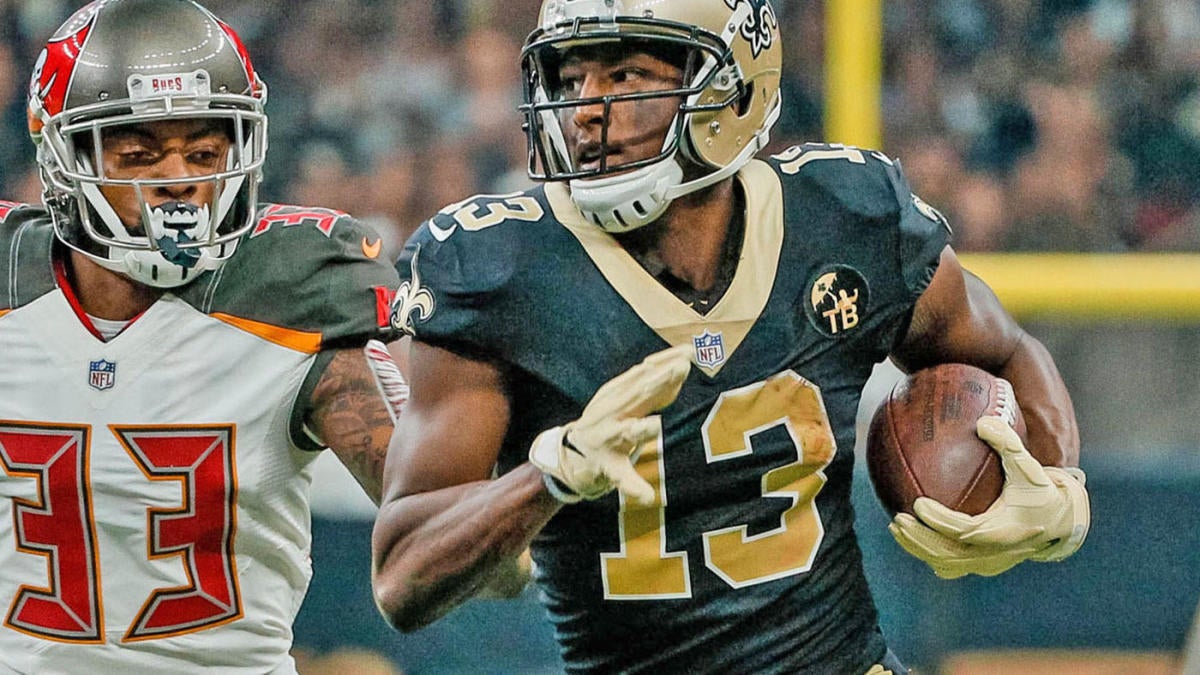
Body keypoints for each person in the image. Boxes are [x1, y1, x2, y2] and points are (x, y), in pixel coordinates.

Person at [372, 0, 1091, 672]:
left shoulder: (843, 216)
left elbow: (1002, 350)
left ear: (735, 89)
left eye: (624, 74)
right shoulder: (498, 268)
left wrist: (1058, 482)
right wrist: (549, 476)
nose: (585, 109)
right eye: (570, 75)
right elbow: (402, 573)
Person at [0, 1, 408, 673]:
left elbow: (432, 512)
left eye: (204, 150)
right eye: (139, 154)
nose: (182, 180)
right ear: (61, 161)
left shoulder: (292, 291)